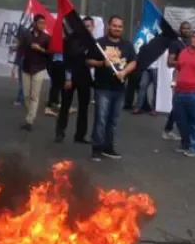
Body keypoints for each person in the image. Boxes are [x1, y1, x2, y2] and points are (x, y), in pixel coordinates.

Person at [87, 15, 137, 160]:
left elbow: (133, 62)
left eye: (119, 26)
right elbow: (88, 61)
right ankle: (97, 148)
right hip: (102, 87)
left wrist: (124, 72)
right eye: (114, 25)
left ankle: (108, 147)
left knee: (113, 121)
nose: (117, 28)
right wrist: (102, 64)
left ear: (123, 28)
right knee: (101, 119)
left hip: (120, 89)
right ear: (109, 26)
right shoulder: (99, 43)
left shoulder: (127, 45)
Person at [55, 16, 96, 144]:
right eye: (85, 26)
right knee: (65, 106)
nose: (87, 28)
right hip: (70, 77)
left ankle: (80, 135)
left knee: (83, 107)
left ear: (93, 27)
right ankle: (60, 132)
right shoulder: (71, 39)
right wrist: (68, 78)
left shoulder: (94, 42)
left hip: (85, 78)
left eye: (89, 26)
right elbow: (66, 60)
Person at [20, 14, 51, 131]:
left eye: (44, 23)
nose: (42, 25)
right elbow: (21, 49)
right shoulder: (27, 35)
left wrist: (40, 49)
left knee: (34, 96)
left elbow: (50, 53)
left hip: (39, 69)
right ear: (34, 23)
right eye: (40, 23)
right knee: (26, 95)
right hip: (26, 68)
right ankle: (30, 115)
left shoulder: (47, 38)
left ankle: (30, 120)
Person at [162, 21, 193, 140]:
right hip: (178, 77)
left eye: (188, 28)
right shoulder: (175, 44)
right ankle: (168, 129)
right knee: (178, 105)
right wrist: (183, 63)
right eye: (184, 28)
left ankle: (183, 130)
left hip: (191, 78)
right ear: (180, 30)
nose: (186, 30)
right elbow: (169, 63)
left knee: (187, 105)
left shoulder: (192, 44)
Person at [133, 51, 158, 115]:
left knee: (156, 88)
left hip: (157, 67)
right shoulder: (147, 41)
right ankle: (138, 107)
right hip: (147, 67)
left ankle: (155, 108)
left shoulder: (161, 42)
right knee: (142, 85)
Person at [45, 52, 65, 117]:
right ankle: (52, 105)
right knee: (56, 85)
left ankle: (53, 103)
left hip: (57, 63)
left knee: (57, 85)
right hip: (57, 63)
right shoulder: (58, 43)